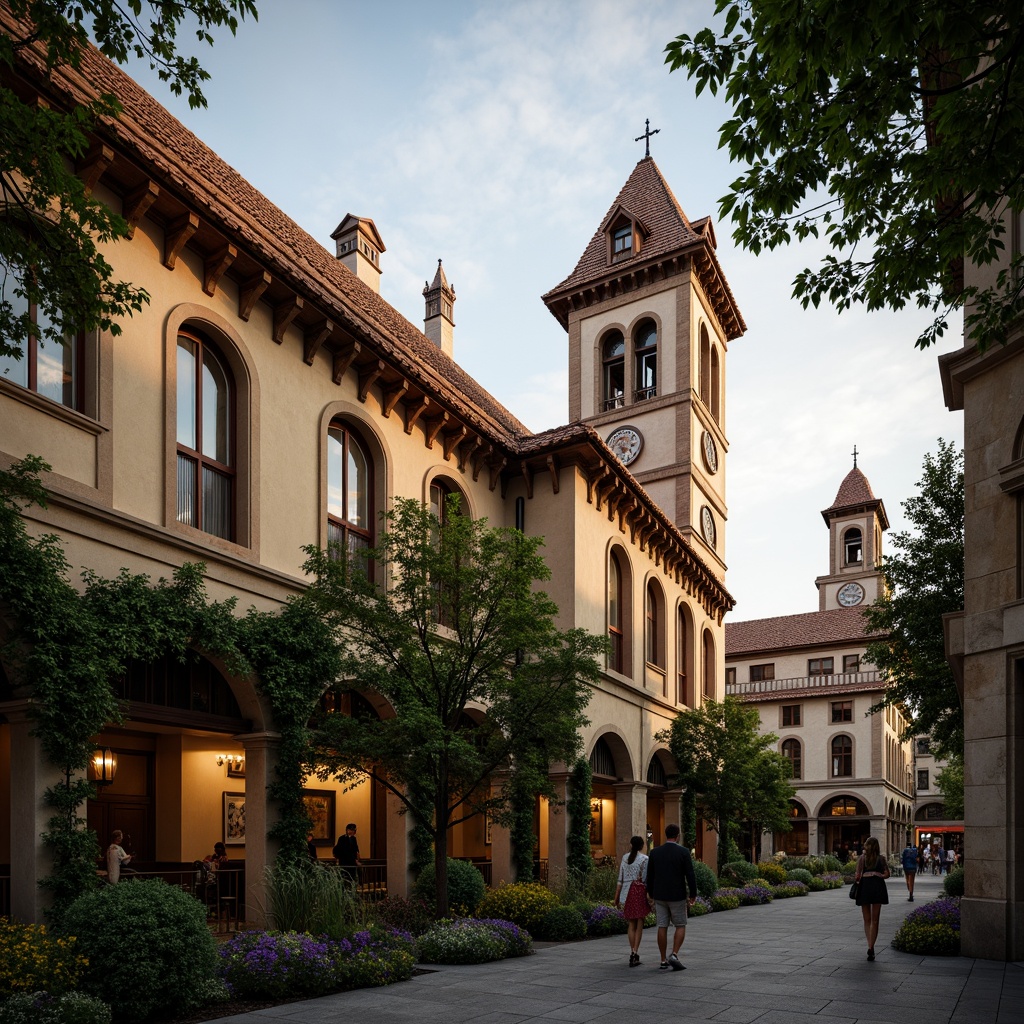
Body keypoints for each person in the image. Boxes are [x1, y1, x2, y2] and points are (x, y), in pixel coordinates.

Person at [644, 823, 698, 972]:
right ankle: (674, 954)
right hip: (677, 895)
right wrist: (692, 894)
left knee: (662, 926)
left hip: (660, 895)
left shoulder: (655, 852)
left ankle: (662, 960)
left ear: (666, 834)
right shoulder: (683, 852)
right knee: (680, 924)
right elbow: (690, 875)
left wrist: (650, 892)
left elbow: (650, 875)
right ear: (678, 836)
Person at [613, 835, 650, 967]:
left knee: (631, 923)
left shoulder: (624, 858)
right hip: (639, 893)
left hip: (625, 893)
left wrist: (616, 898)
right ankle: (635, 952)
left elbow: (620, 880)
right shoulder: (645, 859)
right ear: (642, 846)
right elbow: (646, 879)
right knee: (639, 923)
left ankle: (632, 952)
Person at [854, 836, 890, 961]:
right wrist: (878, 874)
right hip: (877, 887)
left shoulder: (862, 859)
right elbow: (887, 874)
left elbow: (857, 876)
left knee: (867, 920)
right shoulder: (881, 859)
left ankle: (869, 944)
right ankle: (871, 947)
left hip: (865, 888)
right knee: (875, 920)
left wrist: (863, 876)